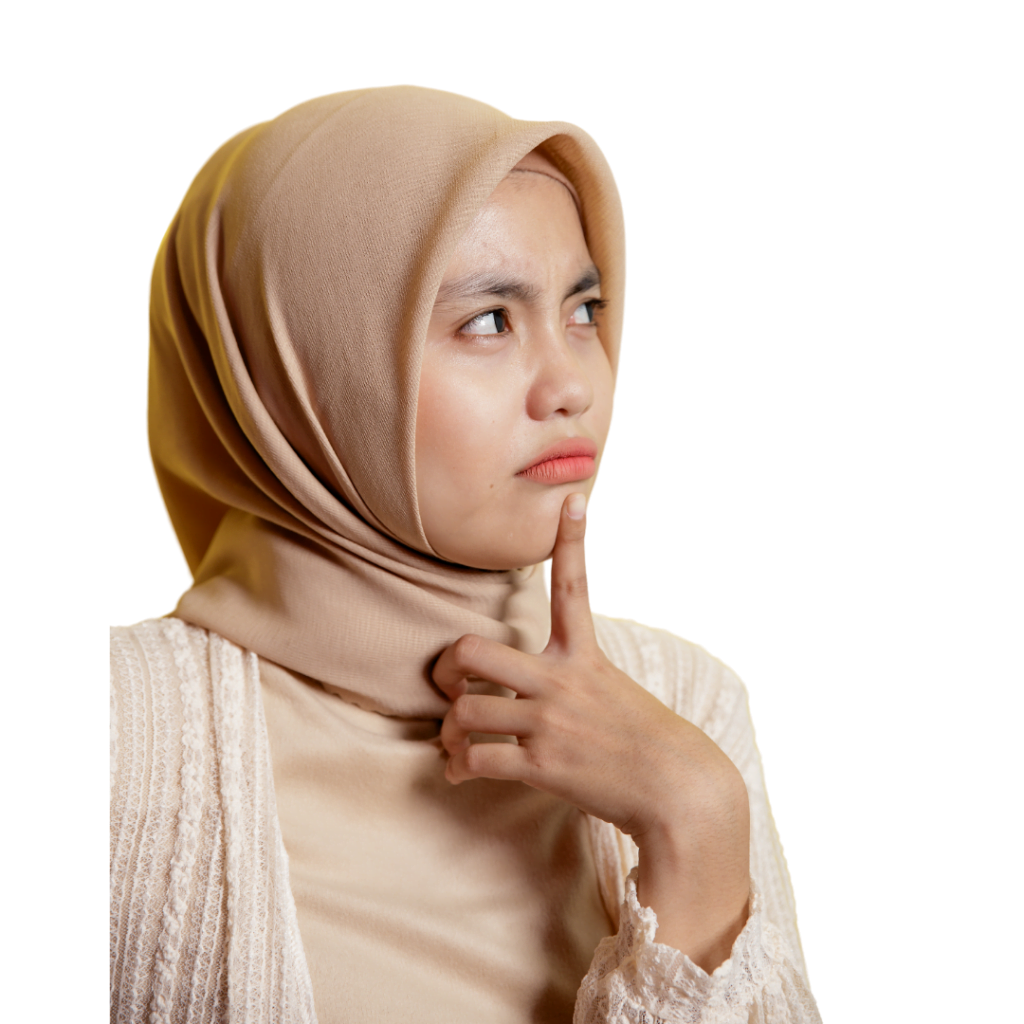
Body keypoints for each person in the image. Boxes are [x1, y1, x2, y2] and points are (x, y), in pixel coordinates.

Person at [110, 85, 821, 1023]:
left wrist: (696, 824)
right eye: (489, 320)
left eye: (584, 308)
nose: (572, 384)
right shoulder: (115, 735)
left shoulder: (684, 708)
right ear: (308, 374)